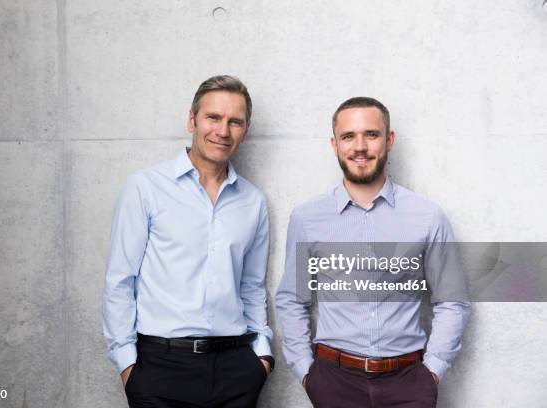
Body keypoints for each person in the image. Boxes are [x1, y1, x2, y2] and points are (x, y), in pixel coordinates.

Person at [275, 97, 470, 408]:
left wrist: (432, 372)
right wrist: (306, 372)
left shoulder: (427, 216)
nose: (360, 146)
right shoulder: (306, 218)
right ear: (334, 144)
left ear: (389, 140)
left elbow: (451, 300)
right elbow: (291, 298)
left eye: (372, 134)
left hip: (409, 384)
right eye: (348, 136)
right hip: (333, 383)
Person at [103, 75, 274, 408]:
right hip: (159, 369)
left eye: (234, 122)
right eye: (213, 117)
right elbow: (120, 282)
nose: (223, 131)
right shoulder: (145, 188)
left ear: (245, 131)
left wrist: (262, 359)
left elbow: (252, 286)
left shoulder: (253, 201)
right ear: (192, 120)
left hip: (236, 369)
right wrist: (128, 366)